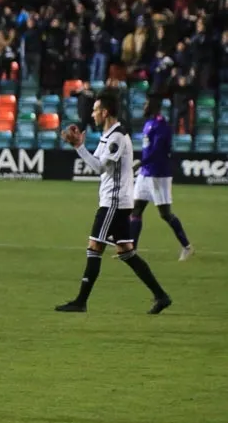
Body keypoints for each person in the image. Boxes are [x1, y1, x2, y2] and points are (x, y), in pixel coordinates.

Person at [56, 91, 172, 314]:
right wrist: (79, 144)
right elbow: (97, 165)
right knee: (126, 251)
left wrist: (78, 147)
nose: (92, 114)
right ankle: (161, 296)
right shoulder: (108, 135)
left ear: (105, 112)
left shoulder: (117, 137)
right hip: (115, 200)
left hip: (114, 202)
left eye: (95, 110)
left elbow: (100, 168)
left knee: (94, 247)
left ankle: (80, 302)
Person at [130, 96, 194, 260]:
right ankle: (132, 249)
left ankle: (186, 246)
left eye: (145, 104)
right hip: (145, 173)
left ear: (152, 106)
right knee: (136, 209)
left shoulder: (162, 126)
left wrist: (139, 163)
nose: (143, 106)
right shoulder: (148, 123)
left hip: (158, 174)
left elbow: (157, 151)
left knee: (165, 214)